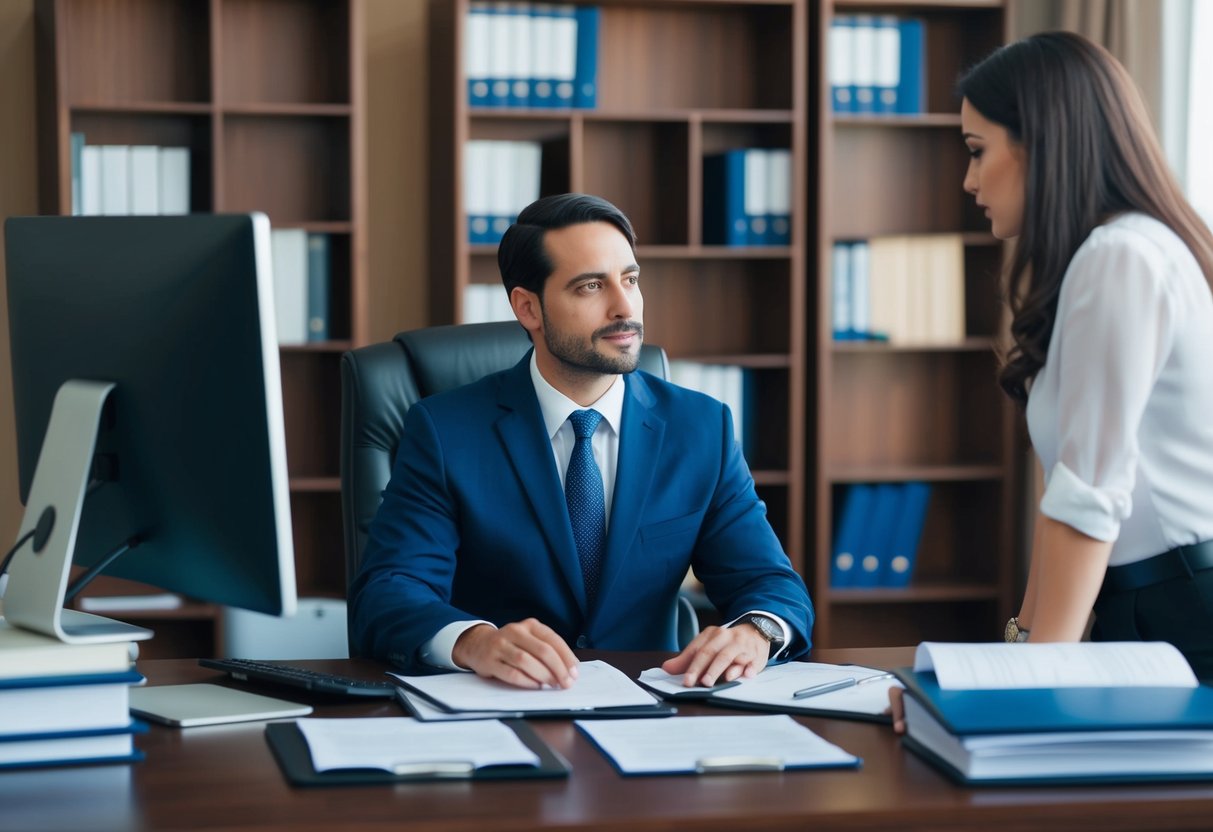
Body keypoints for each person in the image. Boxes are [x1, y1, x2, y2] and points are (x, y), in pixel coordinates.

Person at [350, 193, 813, 690]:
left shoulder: (701, 427)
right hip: (504, 712)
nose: (624, 307)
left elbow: (771, 583)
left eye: (630, 280)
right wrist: (473, 641)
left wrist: (756, 630)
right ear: (528, 307)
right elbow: (389, 593)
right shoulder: (445, 431)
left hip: (652, 711)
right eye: (591, 286)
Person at [893, 30, 1213, 731]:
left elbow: (1087, 500)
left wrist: (1026, 691)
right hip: (1139, 601)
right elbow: (1064, 492)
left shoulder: (1119, 256)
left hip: (1181, 610)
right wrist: (1018, 653)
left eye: (978, 151)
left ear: (1041, 141)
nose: (968, 181)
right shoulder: (1111, 253)